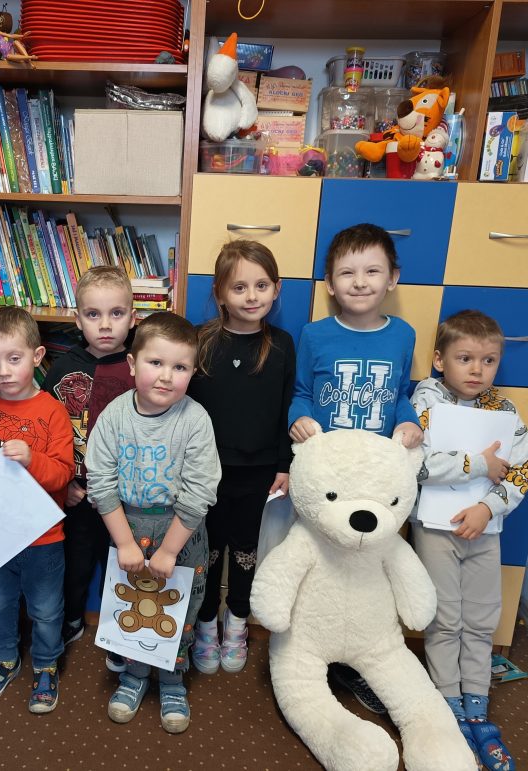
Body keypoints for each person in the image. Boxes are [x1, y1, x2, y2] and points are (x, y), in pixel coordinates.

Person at [287, 222, 423, 713]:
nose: (360, 282)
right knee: (319, 563)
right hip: (329, 476)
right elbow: (301, 392)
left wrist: (409, 422)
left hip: (374, 479)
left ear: (393, 279)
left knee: (368, 572)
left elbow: (402, 395)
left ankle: (359, 661)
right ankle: (311, 650)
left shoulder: (402, 335)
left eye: (372, 271)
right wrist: (298, 417)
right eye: (347, 273)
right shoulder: (314, 334)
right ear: (329, 283)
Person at [410, 310, 528, 771]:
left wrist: (487, 508)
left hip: (484, 529)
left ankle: (477, 702)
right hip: (436, 529)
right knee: (445, 618)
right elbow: (418, 465)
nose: (477, 370)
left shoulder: (505, 412)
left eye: (488, 360)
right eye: (465, 358)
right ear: (440, 360)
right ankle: (448, 701)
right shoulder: (425, 402)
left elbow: (522, 471)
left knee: (481, 618)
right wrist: (476, 464)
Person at [86, 312, 221, 734]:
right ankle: (134, 674)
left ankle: (173, 678)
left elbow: (199, 492)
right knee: (131, 605)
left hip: (180, 532)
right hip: (126, 526)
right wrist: (126, 544)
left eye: (179, 367)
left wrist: (169, 550)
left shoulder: (195, 420)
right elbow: (100, 482)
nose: (166, 376)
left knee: (179, 609)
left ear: (192, 372)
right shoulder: (114, 416)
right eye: (156, 363)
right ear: (132, 364)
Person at [0, 307, 74, 714]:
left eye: (14, 358)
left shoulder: (52, 411)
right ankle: (6, 658)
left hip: (43, 536)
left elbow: (63, 474)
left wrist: (32, 459)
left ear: (37, 357)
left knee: (46, 608)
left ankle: (46, 664)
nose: (4, 371)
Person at [187, 240, 294, 674]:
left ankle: (237, 624)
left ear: (276, 288)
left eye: (261, 285)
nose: (252, 296)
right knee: (208, 553)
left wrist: (285, 464)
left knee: (246, 552)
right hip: (206, 473)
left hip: (259, 472)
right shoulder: (200, 340)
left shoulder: (281, 344)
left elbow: (287, 408)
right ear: (219, 292)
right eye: (239, 287)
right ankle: (205, 625)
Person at [41, 267, 136, 667]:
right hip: (77, 494)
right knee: (75, 564)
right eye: (93, 314)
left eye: (117, 313)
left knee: (122, 567)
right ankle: (72, 619)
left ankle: (121, 631)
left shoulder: (140, 367)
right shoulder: (63, 368)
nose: (105, 325)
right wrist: (63, 484)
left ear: (133, 317)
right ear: (77, 319)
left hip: (127, 497)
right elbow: (48, 433)